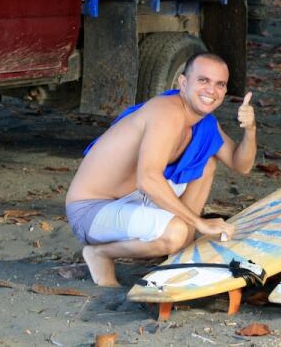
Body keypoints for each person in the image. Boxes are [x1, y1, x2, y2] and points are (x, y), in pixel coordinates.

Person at [65, 52, 257, 287]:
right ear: (183, 83)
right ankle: (100, 254)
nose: (211, 90)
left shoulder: (204, 122)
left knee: (206, 161)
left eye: (220, 84)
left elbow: (241, 164)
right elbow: (147, 179)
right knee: (175, 232)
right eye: (203, 80)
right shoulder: (167, 112)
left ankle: (179, 251)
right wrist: (200, 223)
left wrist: (250, 129)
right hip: (91, 211)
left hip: (133, 201)